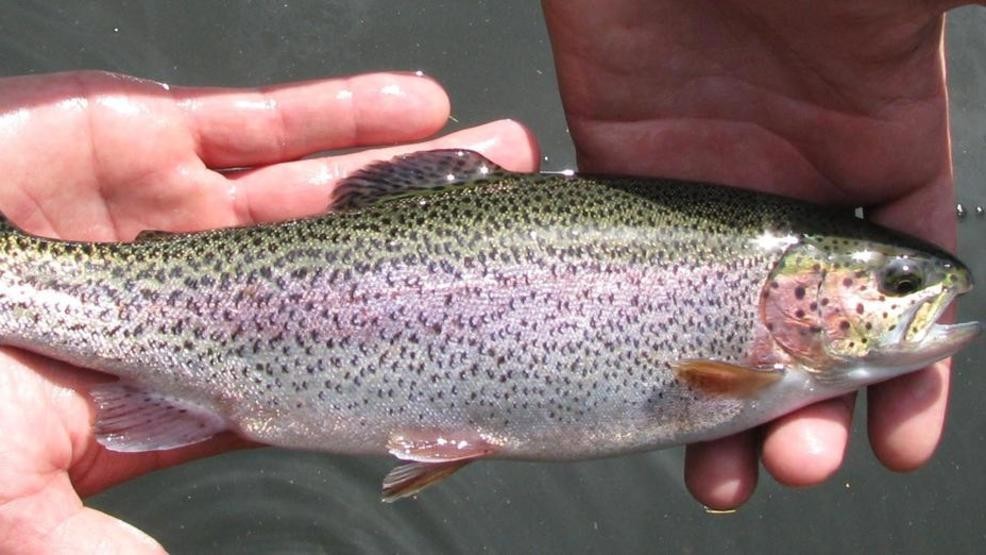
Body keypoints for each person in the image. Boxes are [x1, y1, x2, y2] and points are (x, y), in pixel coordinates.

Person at [0, 1, 976, 551]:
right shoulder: (749, 370)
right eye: (889, 284)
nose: (923, 294)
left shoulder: (758, 355)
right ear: (797, 289)